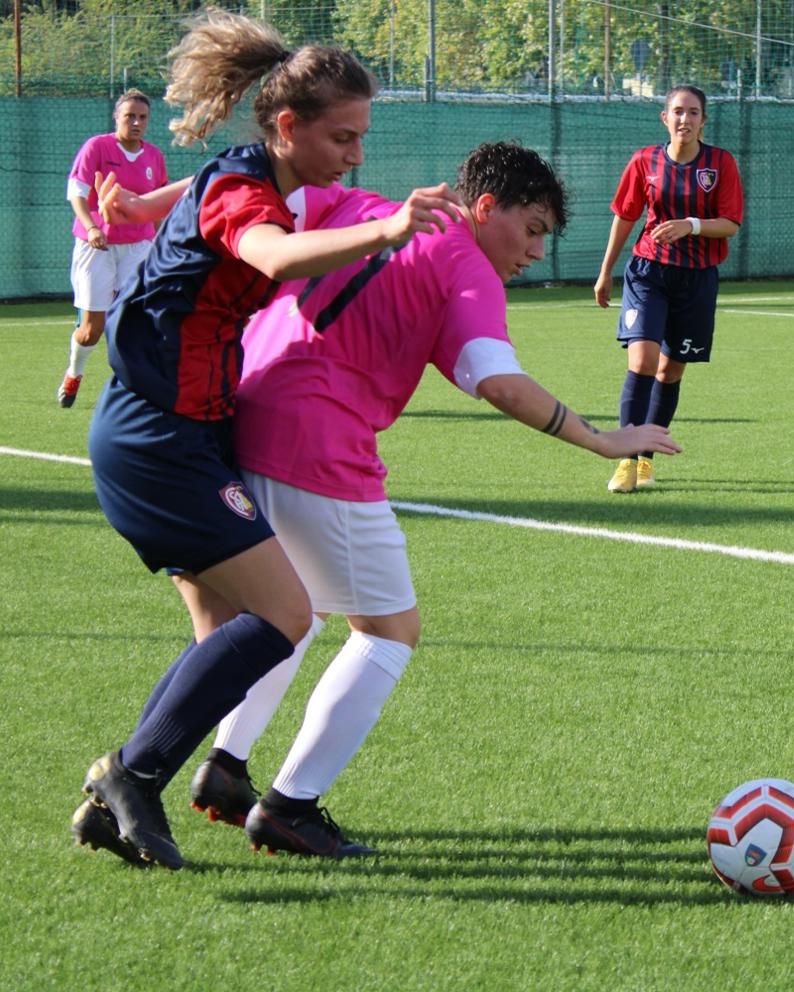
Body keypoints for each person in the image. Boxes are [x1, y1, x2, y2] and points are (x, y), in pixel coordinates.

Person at [92, 140, 678, 862]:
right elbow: (495, 378)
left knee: (280, 614)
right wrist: (599, 440)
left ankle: (225, 765)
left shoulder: (360, 205)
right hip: (319, 451)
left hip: (241, 422)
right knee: (388, 630)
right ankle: (289, 808)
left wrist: (148, 203)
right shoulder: (464, 264)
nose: (534, 251)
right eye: (530, 229)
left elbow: (237, 193)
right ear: (484, 206)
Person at [70, 9, 460, 871]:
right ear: (288, 126)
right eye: (344, 137)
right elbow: (274, 257)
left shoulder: (248, 173)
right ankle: (130, 772)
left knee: (225, 641)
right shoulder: (250, 195)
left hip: (184, 436)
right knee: (284, 615)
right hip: (156, 439)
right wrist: (390, 229)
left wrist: (142, 201)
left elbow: (209, 199)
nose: (356, 154)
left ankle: (119, 796)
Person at [594, 84, 743, 493]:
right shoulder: (645, 161)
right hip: (648, 272)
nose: (685, 120)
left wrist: (690, 225)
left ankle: (645, 459)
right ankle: (625, 460)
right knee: (641, 361)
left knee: (670, 369)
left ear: (703, 120)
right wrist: (606, 271)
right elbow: (625, 216)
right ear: (665, 118)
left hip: (696, 278)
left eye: (693, 112)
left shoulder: (720, 163)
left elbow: (730, 223)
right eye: (677, 111)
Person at [58, 89, 168, 408]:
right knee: (91, 330)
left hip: (138, 247)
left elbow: (157, 205)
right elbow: (76, 194)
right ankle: (74, 372)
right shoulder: (97, 147)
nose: (136, 122)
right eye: (129, 116)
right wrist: (92, 227)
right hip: (98, 247)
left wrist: (162, 241)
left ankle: (129, 391)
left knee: (132, 323)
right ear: (116, 117)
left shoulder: (154, 156)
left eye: (142, 117)